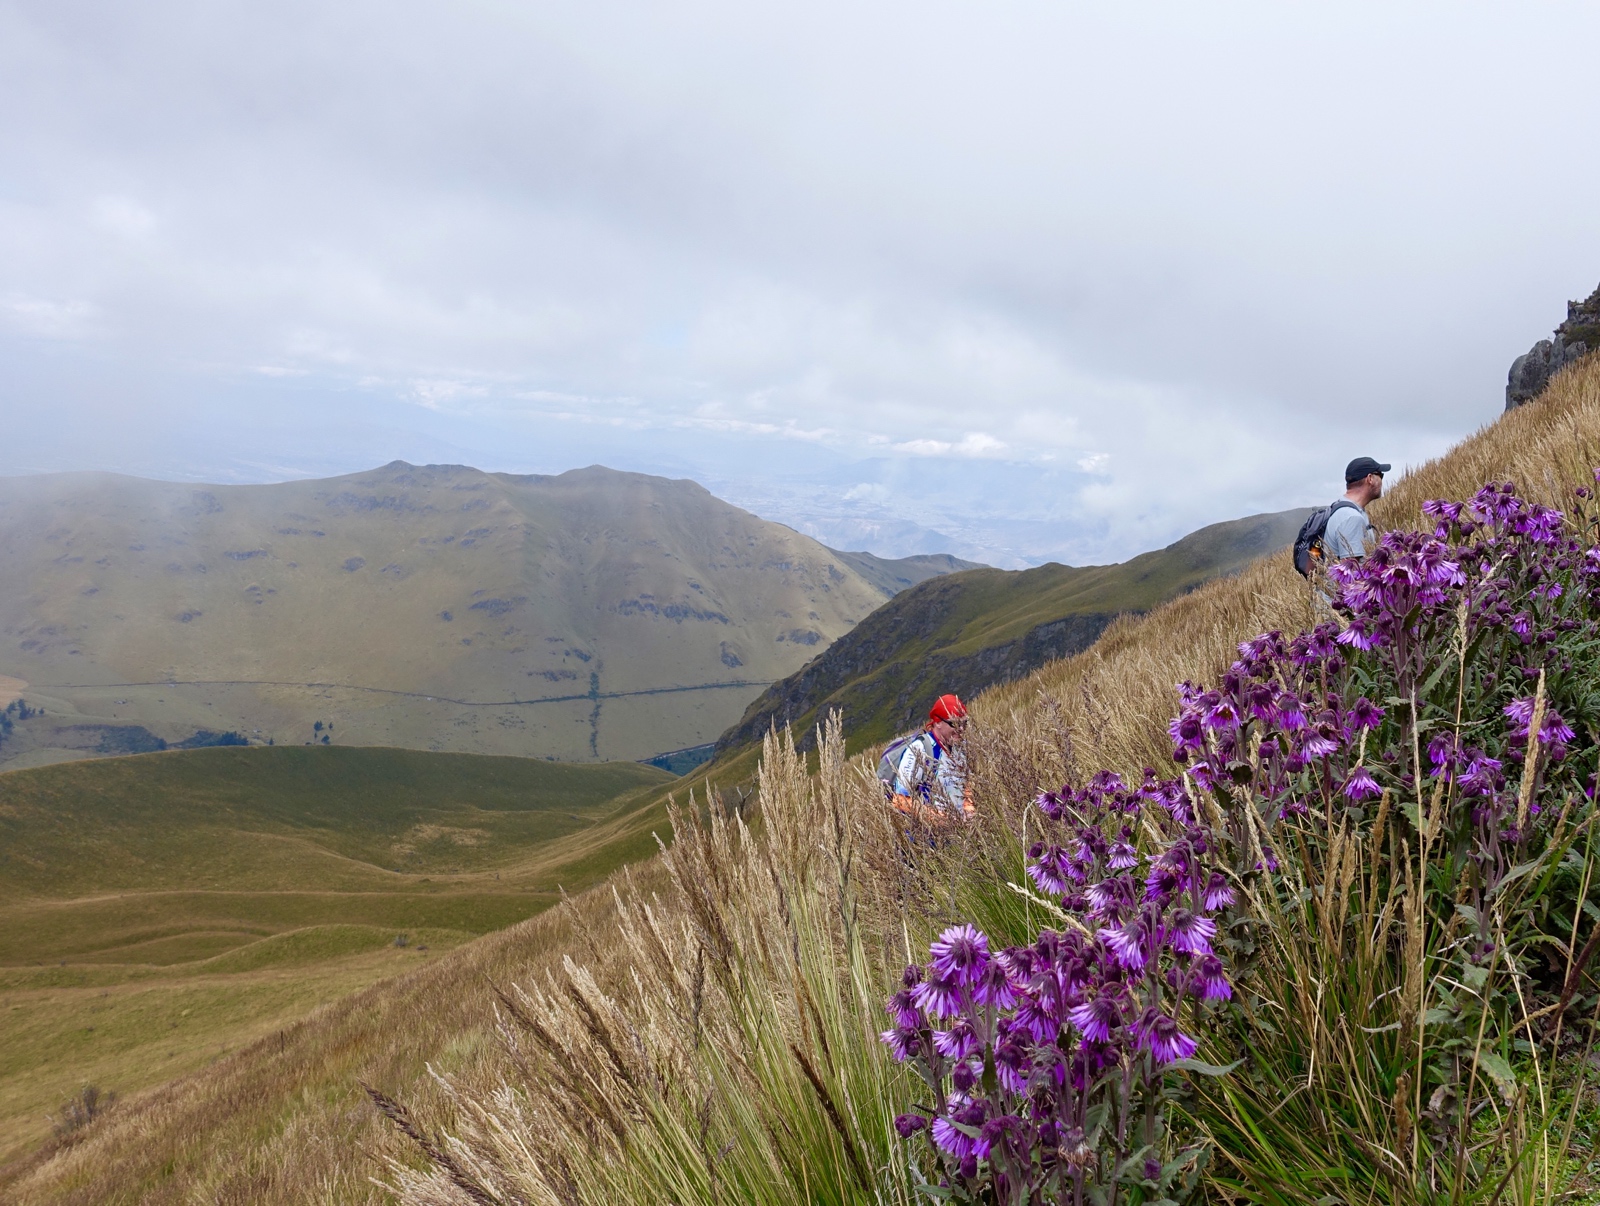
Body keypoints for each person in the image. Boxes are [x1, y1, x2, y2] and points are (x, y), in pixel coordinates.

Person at [884, 693, 973, 824]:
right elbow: (899, 800)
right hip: (929, 837)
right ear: (937, 722)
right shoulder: (920, 750)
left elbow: (965, 783)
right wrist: (939, 818)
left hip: (959, 835)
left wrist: (968, 806)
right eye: (954, 724)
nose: (961, 729)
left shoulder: (961, 747)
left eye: (964, 723)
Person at [1323, 455, 1389, 560]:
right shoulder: (1351, 517)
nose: (1382, 480)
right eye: (1380, 475)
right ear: (1370, 478)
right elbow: (1353, 570)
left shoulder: (1344, 507)